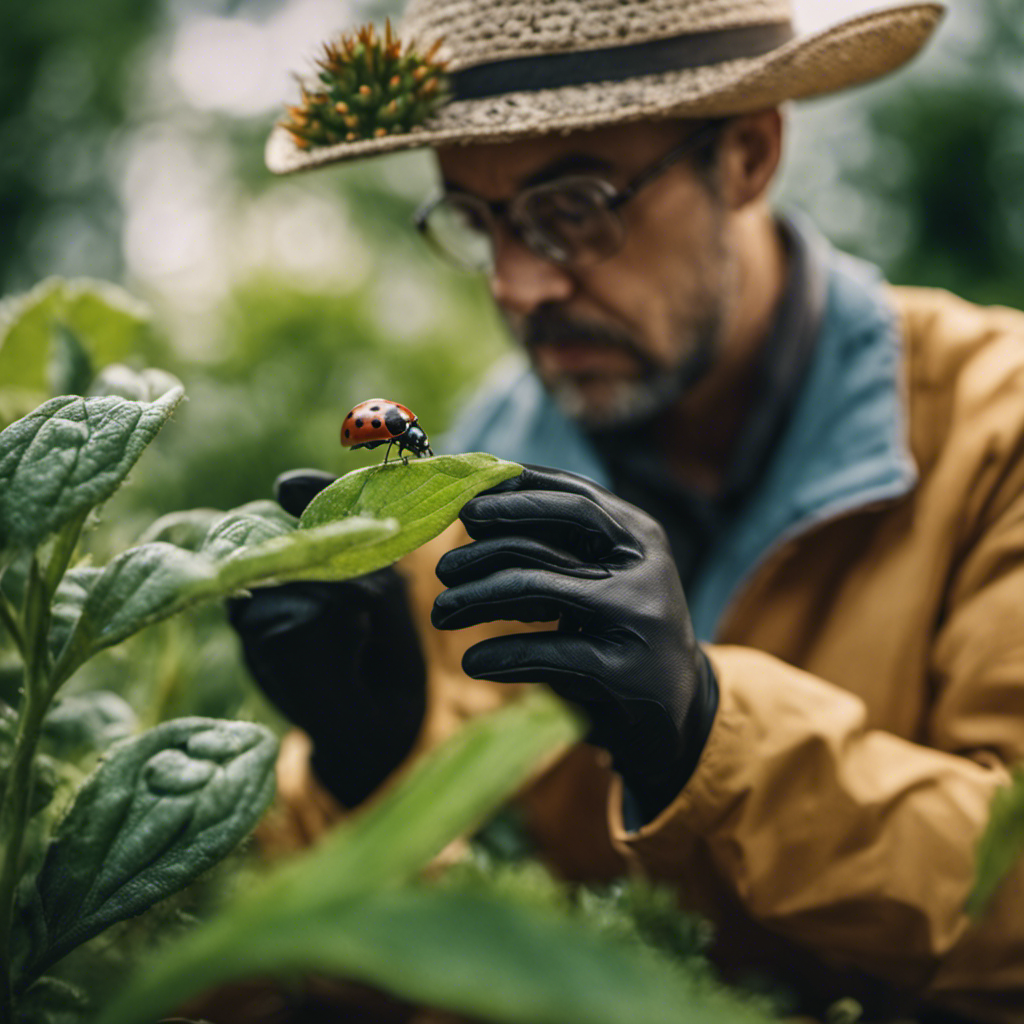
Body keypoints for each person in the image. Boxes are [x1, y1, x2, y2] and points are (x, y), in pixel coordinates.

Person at [229, 0, 1024, 1020]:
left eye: (574, 207)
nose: (520, 286)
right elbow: (376, 971)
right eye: (476, 220)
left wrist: (706, 731)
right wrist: (364, 774)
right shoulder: (461, 488)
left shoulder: (993, 431)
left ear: (747, 153)